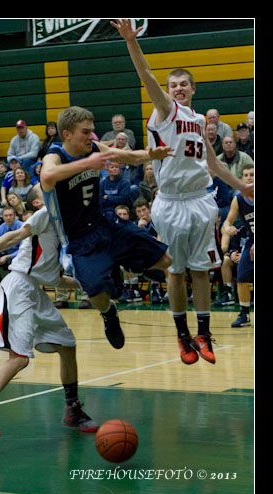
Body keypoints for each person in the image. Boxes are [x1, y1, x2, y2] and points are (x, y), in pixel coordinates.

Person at [112, 19, 254, 364]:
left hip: (201, 201)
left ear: (192, 89)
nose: (177, 88)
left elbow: (215, 166)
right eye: (172, 84)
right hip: (172, 202)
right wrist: (132, 41)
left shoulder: (195, 118)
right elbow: (145, 74)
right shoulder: (165, 110)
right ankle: (182, 336)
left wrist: (245, 188)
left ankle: (204, 333)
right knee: (176, 271)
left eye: (182, 85)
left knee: (202, 270)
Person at [0, 184, 98, 438]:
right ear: (36, 204)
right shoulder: (43, 215)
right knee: (19, 357)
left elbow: (57, 279)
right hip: (18, 288)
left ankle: (72, 409)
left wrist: (90, 284)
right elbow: (15, 235)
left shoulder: (56, 228)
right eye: (45, 193)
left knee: (67, 345)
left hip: (35, 292)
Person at [40, 105, 174, 350]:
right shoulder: (54, 155)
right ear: (67, 134)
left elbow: (127, 157)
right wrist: (87, 163)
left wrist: (151, 156)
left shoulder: (93, 148)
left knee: (165, 260)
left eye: (92, 131)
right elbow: (47, 177)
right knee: (96, 295)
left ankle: (128, 265)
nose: (91, 136)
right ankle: (109, 313)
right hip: (79, 238)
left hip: (105, 223)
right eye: (85, 132)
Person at [221, 164, 254, 327]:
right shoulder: (238, 198)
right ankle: (245, 314)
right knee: (242, 275)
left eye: (253, 174)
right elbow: (226, 222)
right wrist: (228, 228)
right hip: (251, 240)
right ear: (242, 179)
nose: (249, 177)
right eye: (246, 175)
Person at [0, 206, 23, 299]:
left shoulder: (21, 227)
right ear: (3, 217)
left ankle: (15, 293)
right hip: (6, 253)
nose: (8, 217)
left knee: (15, 262)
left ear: (15, 216)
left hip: (20, 255)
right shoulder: (0, 228)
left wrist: (8, 256)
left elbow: (23, 249)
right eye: (6, 215)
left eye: (10, 215)